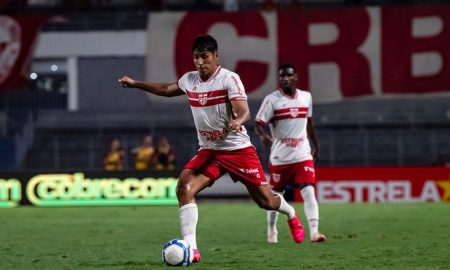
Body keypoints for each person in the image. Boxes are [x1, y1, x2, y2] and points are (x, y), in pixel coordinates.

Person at [118, 35, 304, 264]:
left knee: (266, 202)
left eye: (204, 57)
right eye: (196, 57)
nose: (199, 62)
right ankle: (192, 249)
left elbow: (244, 110)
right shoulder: (189, 80)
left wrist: (238, 121)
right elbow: (166, 89)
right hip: (210, 151)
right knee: (184, 188)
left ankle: (292, 214)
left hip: (238, 151)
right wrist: (136, 84)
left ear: (216, 56)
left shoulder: (229, 79)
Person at [255, 63, 326, 243]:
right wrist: (263, 136)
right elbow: (258, 123)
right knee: (274, 197)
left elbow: (309, 123)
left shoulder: (306, 97)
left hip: (302, 155)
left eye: (289, 75)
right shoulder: (272, 100)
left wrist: (316, 145)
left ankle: (314, 232)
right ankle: (272, 230)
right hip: (280, 158)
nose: (285, 79)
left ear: (296, 77)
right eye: (282, 76)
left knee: (308, 191)